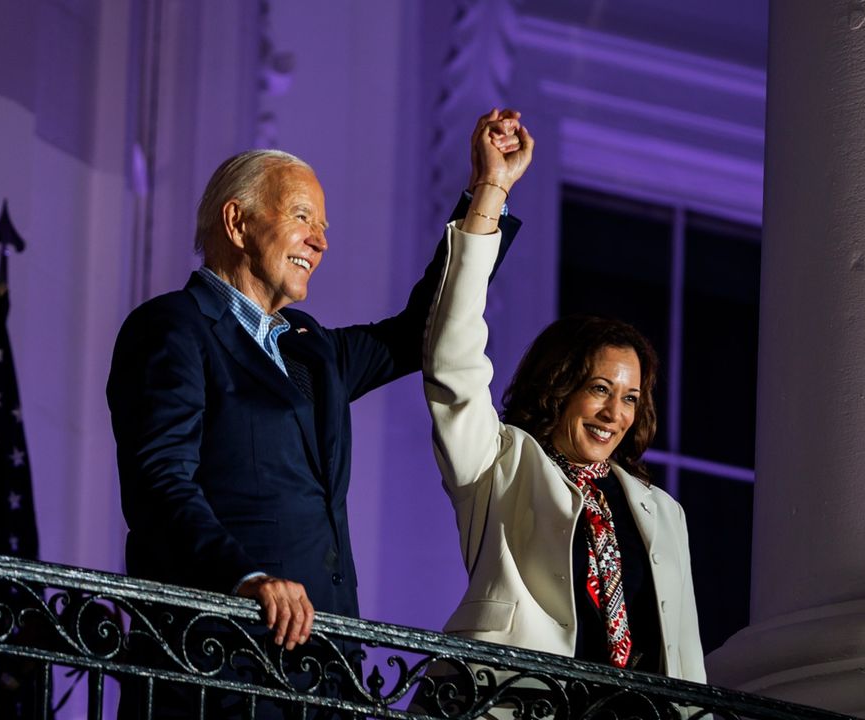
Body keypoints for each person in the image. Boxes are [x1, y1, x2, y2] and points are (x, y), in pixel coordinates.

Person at [106, 109, 531, 717]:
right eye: (302, 218)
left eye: (323, 227)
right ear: (238, 221)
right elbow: (161, 484)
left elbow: (420, 330)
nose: (321, 241)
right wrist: (244, 578)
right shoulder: (173, 328)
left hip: (323, 672)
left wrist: (490, 190)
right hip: (217, 663)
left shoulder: (310, 345)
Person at [422, 208, 705, 682]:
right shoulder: (499, 464)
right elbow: (454, 363)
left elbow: (684, 654)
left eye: (630, 398)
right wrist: (489, 201)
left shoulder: (663, 513)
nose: (615, 414)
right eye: (599, 389)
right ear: (558, 387)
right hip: (513, 704)